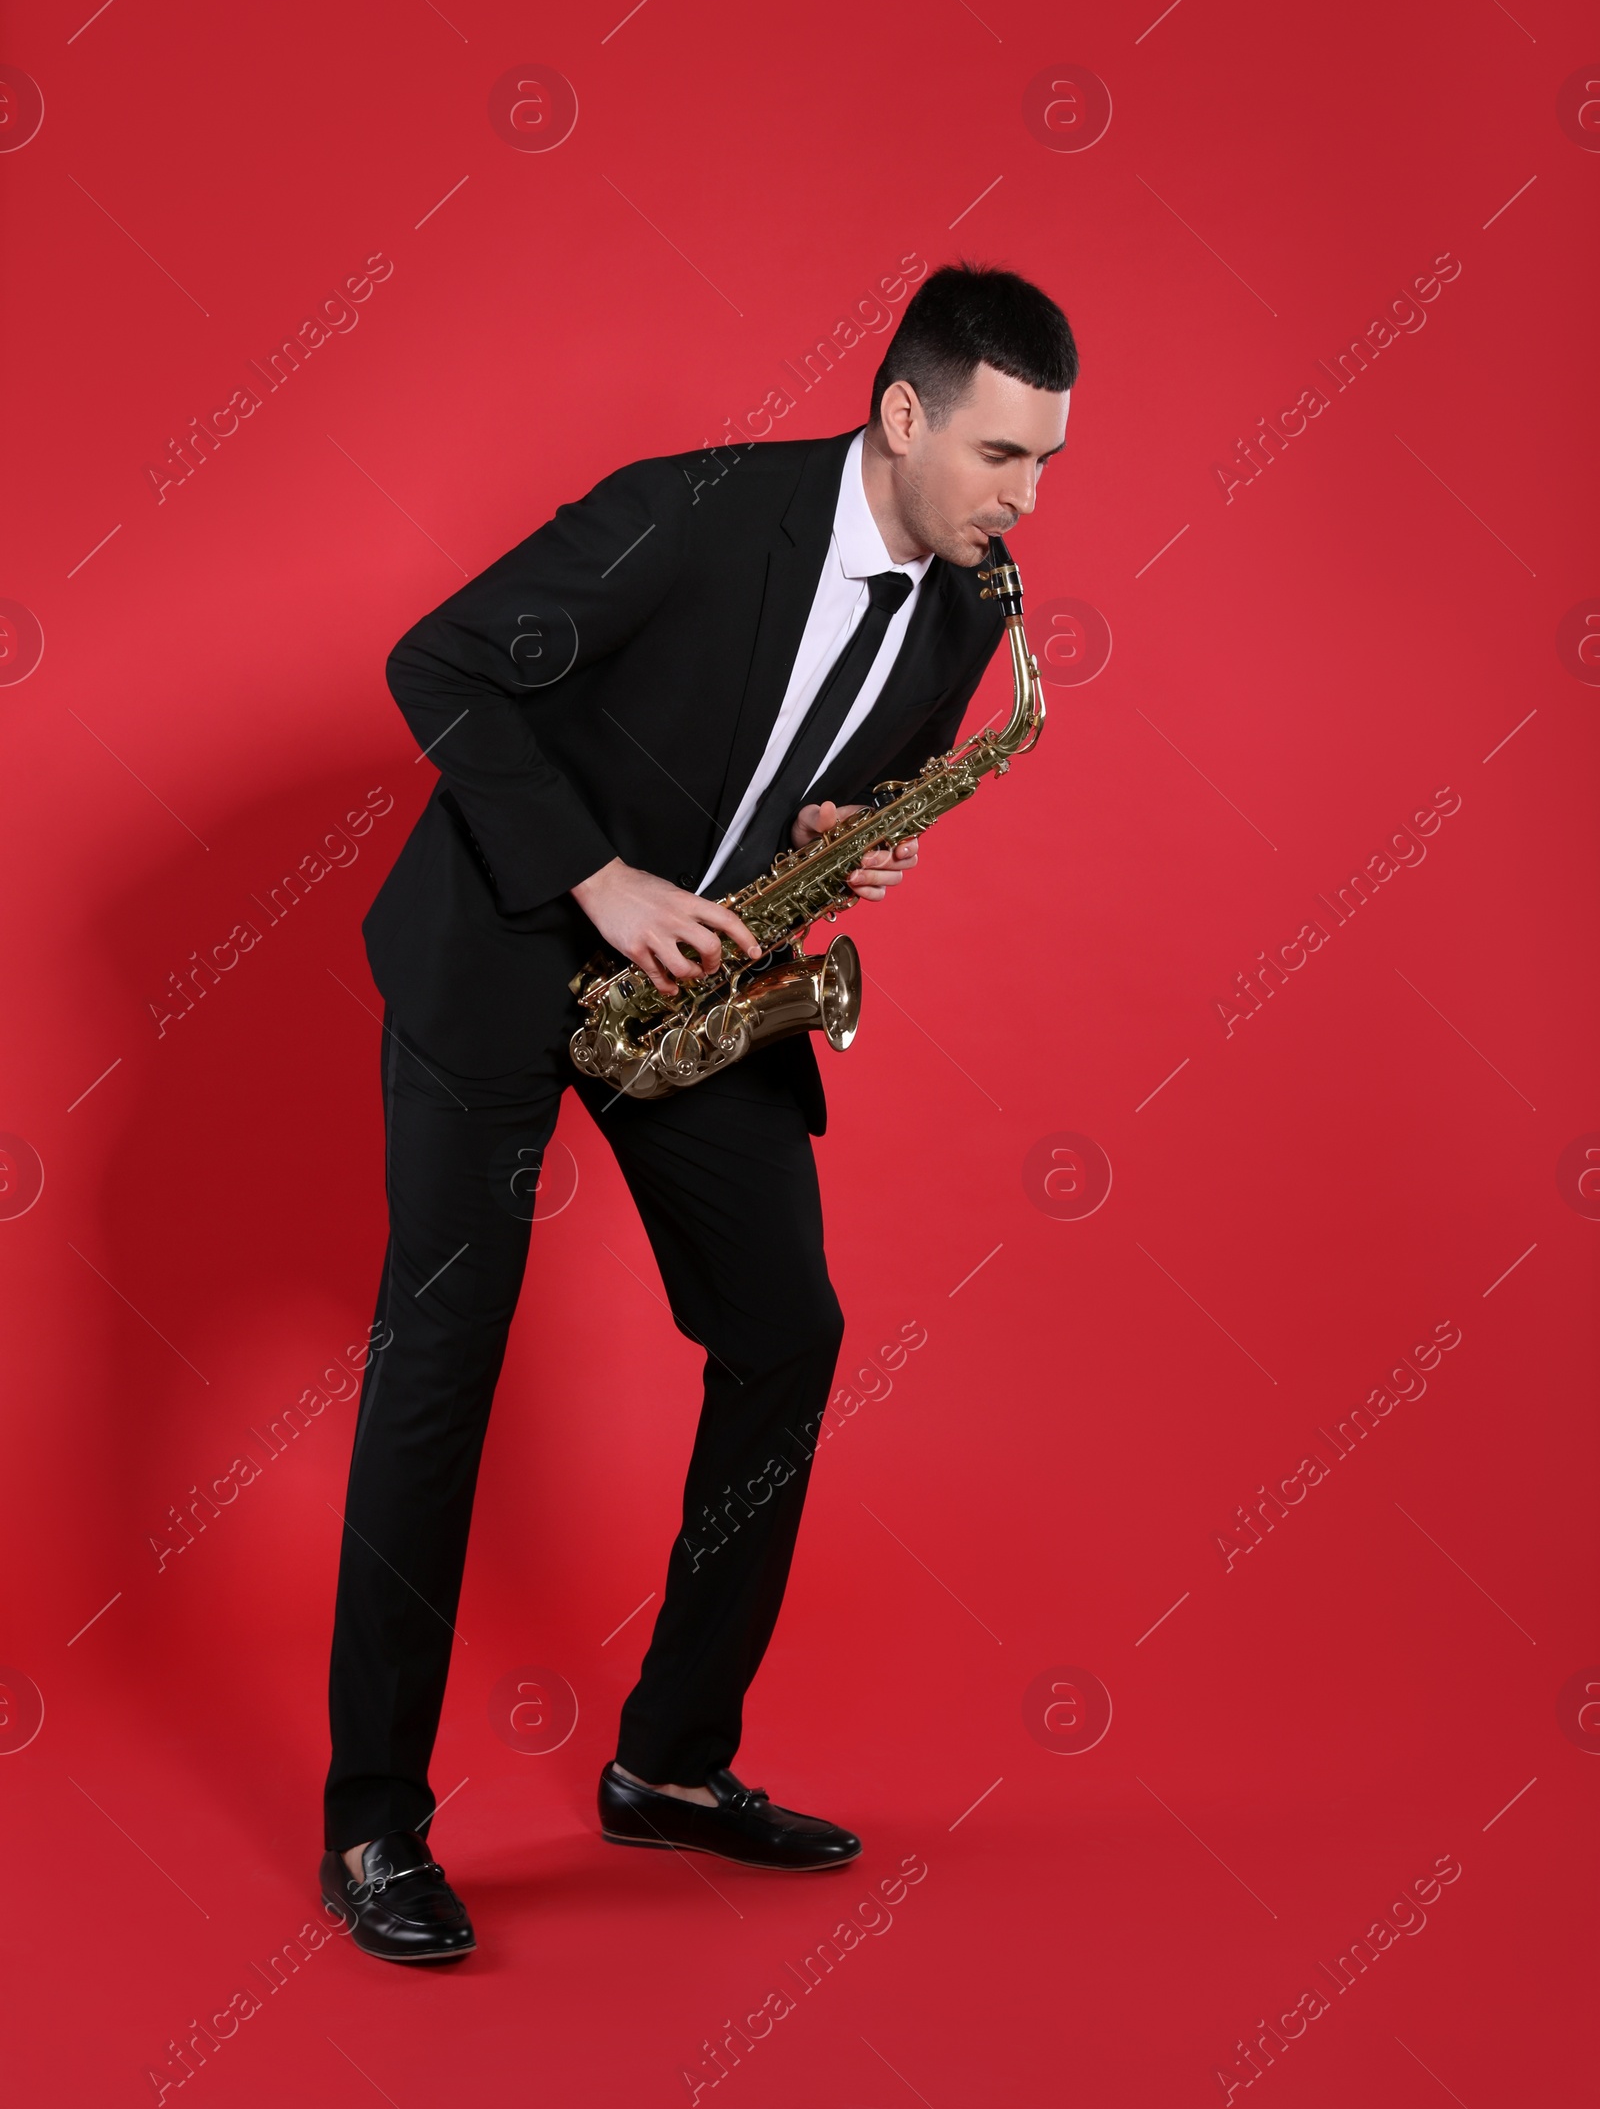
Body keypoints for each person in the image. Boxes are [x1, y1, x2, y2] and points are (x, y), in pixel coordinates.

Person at [318, 261, 1078, 1959]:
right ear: (903, 417)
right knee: (442, 1365)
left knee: (785, 1331)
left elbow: (829, 790)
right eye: (1005, 457)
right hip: (511, 953)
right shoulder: (693, 511)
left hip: (702, 981)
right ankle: (373, 1825)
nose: (1025, 502)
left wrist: (853, 835)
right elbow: (434, 662)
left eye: (1045, 466)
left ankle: (669, 1765)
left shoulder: (964, 608)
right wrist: (597, 877)